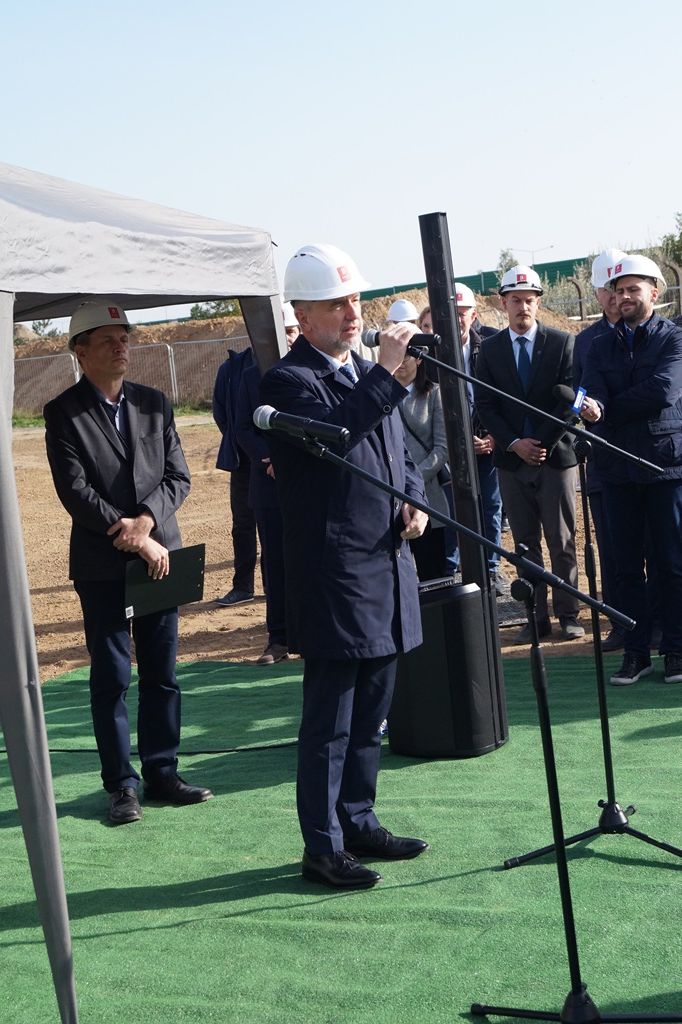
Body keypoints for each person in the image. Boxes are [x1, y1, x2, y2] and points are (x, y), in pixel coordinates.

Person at [259, 243, 429, 890]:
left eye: (355, 298)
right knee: (330, 720)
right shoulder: (288, 380)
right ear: (301, 314)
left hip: (386, 562)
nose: (351, 312)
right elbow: (337, 437)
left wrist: (413, 498)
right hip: (336, 573)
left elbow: (395, 449)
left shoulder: (363, 370)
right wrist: (387, 376)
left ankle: (358, 820)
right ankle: (322, 846)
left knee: (372, 713)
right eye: (335, 303)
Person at [44, 302, 213, 825]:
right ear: (81, 350)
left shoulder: (156, 404)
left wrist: (145, 521)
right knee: (112, 676)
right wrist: (137, 537)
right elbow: (74, 491)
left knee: (163, 673)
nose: (122, 346)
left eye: (125, 337)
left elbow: (177, 478)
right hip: (105, 563)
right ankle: (121, 785)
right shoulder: (63, 412)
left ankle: (162, 772)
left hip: (160, 557)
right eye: (108, 339)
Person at [579, 254, 682, 685]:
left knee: (672, 563)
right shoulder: (598, 344)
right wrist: (593, 408)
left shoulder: (673, 338)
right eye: (618, 290)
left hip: (664, 468)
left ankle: (675, 652)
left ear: (654, 293)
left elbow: (664, 390)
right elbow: (589, 391)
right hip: (616, 469)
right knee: (624, 567)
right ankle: (636, 653)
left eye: (632, 289)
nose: (623, 297)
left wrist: (609, 410)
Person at [474, 265, 583, 643]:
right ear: (503, 302)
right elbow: (486, 405)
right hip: (511, 460)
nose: (523, 307)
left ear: (539, 303)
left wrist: (539, 443)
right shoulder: (488, 350)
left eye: (530, 300)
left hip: (554, 458)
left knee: (562, 540)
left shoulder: (561, 343)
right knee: (523, 544)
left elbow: (568, 401)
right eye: (516, 300)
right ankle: (534, 618)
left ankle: (568, 614)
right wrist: (513, 444)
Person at [234, 303, 299, 665]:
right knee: (275, 562)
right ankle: (279, 639)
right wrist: (271, 457)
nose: (285, 338)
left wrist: (292, 459)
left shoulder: (311, 370)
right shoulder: (247, 376)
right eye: (280, 331)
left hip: (308, 483)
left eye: (290, 331)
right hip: (268, 484)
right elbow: (242, 427)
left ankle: (313, 633)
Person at [573, 250, 628, 652]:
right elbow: (576, 392)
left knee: (654, 544)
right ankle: (622, 622)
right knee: (611, 546)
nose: (612, 296)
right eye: (605, 289)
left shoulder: (652, 333)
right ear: (594, 293)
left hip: (649, 456)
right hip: (603, 458)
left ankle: (659, 621)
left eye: (618, 287)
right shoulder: (585, 342)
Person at [453, 283, 506, 594]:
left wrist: (493, 438)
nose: (458, 319)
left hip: (488, 443)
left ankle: (491, 568)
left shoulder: (488, 348)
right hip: (450, 448)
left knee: (490, 505)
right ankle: (460, 568)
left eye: (463, 313)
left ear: (473, 315)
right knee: (454, 510)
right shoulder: (431, 353)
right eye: (453, 312)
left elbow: (498, 398)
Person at [394, 350, 449, 580]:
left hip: (428, 492)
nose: (400, 362)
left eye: (405, 356)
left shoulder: (433, 394)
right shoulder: (379, 394)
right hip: (391, 493)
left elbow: (442, 449)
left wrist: (412, 479)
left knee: (432, 571)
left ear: (418, 359)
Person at [212, 344, 258, 606]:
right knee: (243, 525)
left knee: (279, 526)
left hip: (281, 462)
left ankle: (279, 586)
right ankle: (243, 586)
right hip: (243, 459)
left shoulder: (290, 361)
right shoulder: (230, 369)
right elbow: (221, 413)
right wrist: (242, 443)